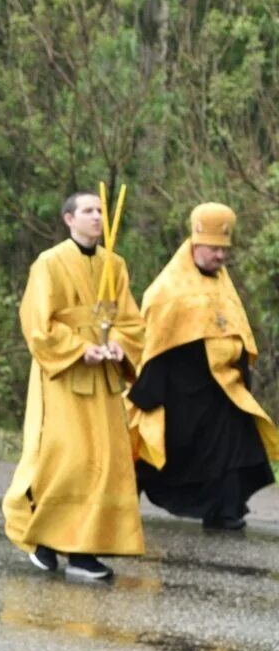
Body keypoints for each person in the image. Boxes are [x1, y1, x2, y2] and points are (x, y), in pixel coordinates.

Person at [2, 191, 147, 581]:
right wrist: (79, 349)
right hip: (64, 376)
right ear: (69, 219)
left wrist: (119, 344)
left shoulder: (114, 264)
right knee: (69, 460)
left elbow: (131, 320)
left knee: (104, 462)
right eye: (88, 211)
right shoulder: (48, 263)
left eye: (101, 211)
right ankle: (45, 539)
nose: (98, 217)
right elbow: (37, 323)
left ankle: (82, 553)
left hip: (104, 381)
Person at [129, 202, 276, 530]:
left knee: (234, 443)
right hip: (180, 391)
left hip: (222, 388)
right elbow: (156, 343)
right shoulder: (169, 288)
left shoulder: (222, 281)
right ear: (195, 244)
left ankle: (226, 510)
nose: (220, 257)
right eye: (213, 249)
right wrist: (148, 391)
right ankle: (123, 501)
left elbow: (234, 325)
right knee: (164, 448)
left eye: (224, 250)